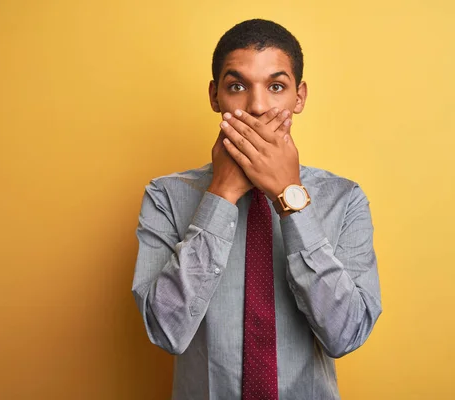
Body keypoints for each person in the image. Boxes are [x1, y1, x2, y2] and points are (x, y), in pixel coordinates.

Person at [132, 19, 382, 400]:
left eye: (276, 87)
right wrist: (221, 194)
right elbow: (165, 330)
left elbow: (346, 335)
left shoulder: (344, 199)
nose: (258, 106)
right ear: (215, 96)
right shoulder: (165, 196)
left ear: (299, 97)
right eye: (237, 87)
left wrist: (289, 196)